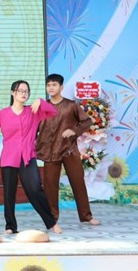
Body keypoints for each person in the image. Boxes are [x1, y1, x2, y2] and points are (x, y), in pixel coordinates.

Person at [0, 80, 60, 235]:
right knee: (9, 193)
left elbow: (53, 112)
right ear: (12, 93)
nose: (24, 93)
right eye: (20, 90)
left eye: (26, 91)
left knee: (35, 189)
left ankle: (51, 222)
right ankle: (10, 225)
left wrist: (41, 101)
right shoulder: (3, 114)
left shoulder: (33, 111)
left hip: (27, 157)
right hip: (9, 158)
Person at [37, 74, 101, 227]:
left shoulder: (71, 105)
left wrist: (74, 130)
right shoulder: (42, 108)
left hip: (69, 150)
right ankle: (52, 218)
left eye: (54, 84)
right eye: (48, 85)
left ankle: (86, 216)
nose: (51, 87)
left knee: (78, 182)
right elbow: (34, 127)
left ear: (61, 87)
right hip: (50, 152)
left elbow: (87, 121)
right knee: (50, 186)